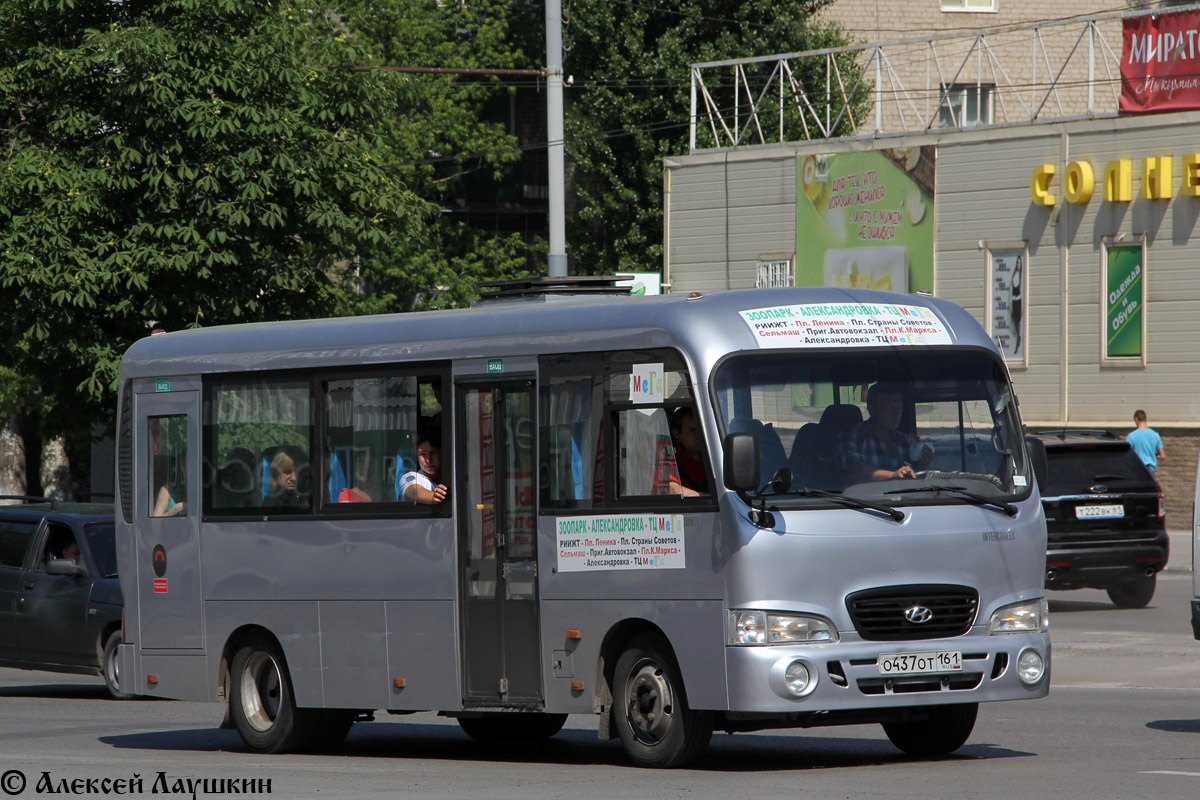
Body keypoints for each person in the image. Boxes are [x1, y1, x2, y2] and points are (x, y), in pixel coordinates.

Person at [840, 382, 933, 482]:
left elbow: (911, 477)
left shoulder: (904, 441)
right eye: (890, 408)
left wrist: (922, 464)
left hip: (902, 497)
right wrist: (893, 474)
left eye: (899, 408)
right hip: (859, 497)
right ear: (872, 409)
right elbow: (854, 469)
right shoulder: (853, 437)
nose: (896, 413)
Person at [398, 427, 448, 504]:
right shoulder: (411, 477)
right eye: (423, 454)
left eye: (434, 453)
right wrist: (433, 496)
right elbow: (413, 492)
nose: (428, 460)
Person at [669, 407, 709, 495]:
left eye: (701, 430)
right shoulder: (670, 458)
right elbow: (670, 488)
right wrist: (701, 496)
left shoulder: (714, 457)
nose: (699, 435)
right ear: (677, 434)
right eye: (692, 431)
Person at [1127, 409, 1165, 474]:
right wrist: (1153, 455)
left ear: (1136, 419)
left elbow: (1126, 454)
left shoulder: (1131, 436)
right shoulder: (1155, 435)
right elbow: (1162, 455)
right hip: (1150, 469)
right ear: (1146, 418)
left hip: (1137, 468)